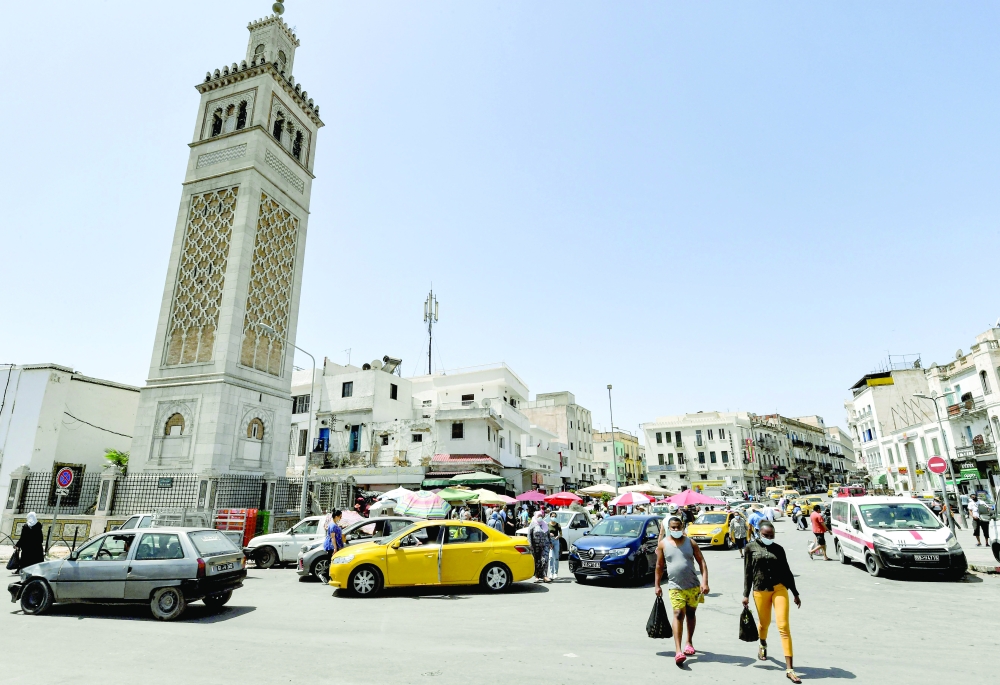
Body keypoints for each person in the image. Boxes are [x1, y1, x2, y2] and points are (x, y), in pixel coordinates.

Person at [743, 521, 802, 683]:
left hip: (779, 588)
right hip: (760, 590)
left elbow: (787, 571)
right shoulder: (750, 548)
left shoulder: (779, 549)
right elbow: (747, 572)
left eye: (771, 536)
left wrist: (795, 593)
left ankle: (789, 669)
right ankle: (762, 643)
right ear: (759, 533)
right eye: (766, 535)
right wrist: (745, 594)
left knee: (783, 626)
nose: (769, 538)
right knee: (764, 623)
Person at [654, 516, 710, 667]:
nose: (676, 530)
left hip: (693, 586)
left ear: (682, 527)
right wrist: (657, 585)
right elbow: (659, 566)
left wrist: (704, 582)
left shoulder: (690, 543)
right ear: (668, 528)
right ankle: (678, 650)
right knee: (678, 614)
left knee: (691, 614)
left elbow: (702, 562)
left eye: (678, 527)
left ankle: (689, 642)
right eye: (673, 527)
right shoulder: (663, 544)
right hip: (674, 586)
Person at [526, 511, 551, 582]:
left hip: (545, 545)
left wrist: (550, 543)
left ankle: (544, 576)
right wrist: (530, 544)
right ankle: (537, 576)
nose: (540, 517)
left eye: (541, 516)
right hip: (535, 546)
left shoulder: (545, 524)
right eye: (538, 516)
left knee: (545, 560)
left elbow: (548, 534)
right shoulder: (532, 524)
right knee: (537, 561)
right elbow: (529, 535)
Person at [323, 510, 344, 584]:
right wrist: (335, 548)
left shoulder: (334, 524)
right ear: (336, 516)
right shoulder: (332, 525)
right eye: (340, 517)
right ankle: (325, 575)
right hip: (332, 546)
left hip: (334, 546)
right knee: (332, 562)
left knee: (332, 561)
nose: (340, 518)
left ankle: (327, 576)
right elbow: (333, 537)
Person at [548, 511, 562, 578]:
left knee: (556, 557)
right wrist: (549, 534)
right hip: (550, 541)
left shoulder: (558, 525)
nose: (553, 518)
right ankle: (551, 573)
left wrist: (558, 536)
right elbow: (545, 534)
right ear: (550, 517)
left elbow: (561, 534)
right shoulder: (547, 525)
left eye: (555, 516)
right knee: (551, 558)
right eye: (552, 516)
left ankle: (556, 573)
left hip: (556, 541)